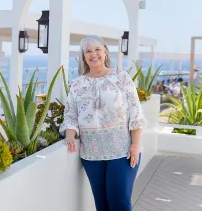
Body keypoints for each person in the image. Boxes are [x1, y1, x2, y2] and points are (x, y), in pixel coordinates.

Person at [60, 35, 147, 211]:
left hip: (122, 151)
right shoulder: (77, 84)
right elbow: (70, 114)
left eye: (97, 49)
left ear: (105, 51)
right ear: (83, 56)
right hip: (91, 153)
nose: (94, 54)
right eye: (88, 51)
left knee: (120, 202)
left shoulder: (121, 77)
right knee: (102, 204)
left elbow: (135, 111)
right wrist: (70, 135)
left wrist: (136, 144)